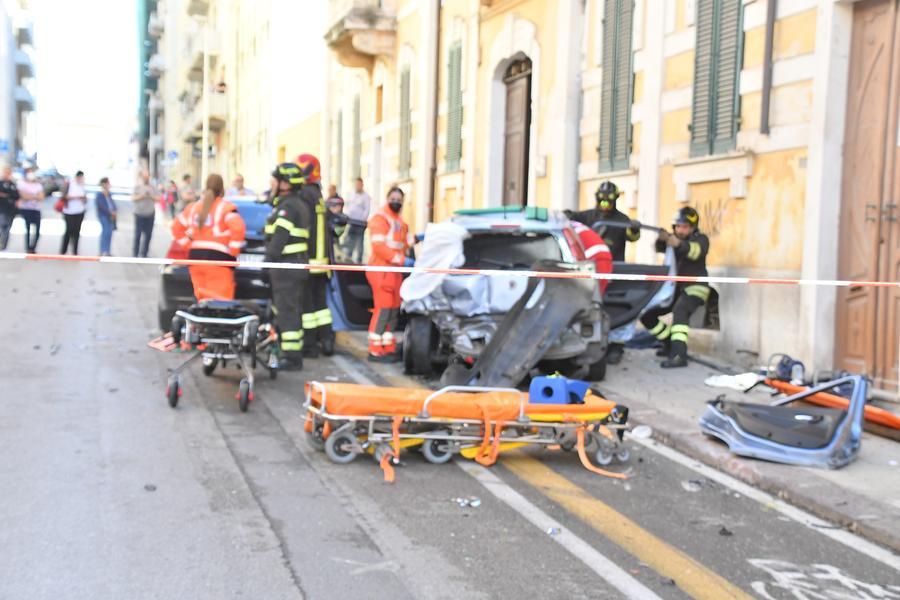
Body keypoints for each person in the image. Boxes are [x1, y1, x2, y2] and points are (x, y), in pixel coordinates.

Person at [565, 180, 641, 364]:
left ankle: (616, 346)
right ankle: (591, 342)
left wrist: (634, 228)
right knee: (590, 309)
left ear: (615, 200)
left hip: (613, 270)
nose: (605, 205)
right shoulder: (588, 216)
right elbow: (571, 220)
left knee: (614, 309)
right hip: (588, 272)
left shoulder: (622, 220)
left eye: (609, 201)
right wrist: (565, 215)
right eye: (602, 201)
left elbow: (633, 237)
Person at [640, 207, 710, 369]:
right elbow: (659, 249)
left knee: (680, 312)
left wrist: (677, 243)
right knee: (647, 316)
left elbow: (694, 252)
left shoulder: (701, 239)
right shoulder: (674, 240)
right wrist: (662, 238)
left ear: (692, 227)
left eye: (684, 227)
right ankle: (669, 344)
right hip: (674, 291)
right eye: (678, 226)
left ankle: (679, 355)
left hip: (695, 288)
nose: (680, 230)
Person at [264, 162, 313, 371]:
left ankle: (292, 357)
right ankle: (287, 350)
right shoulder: (295, 204)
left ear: (285, 184)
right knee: (288, 309)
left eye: (275, 181)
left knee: (287, 312)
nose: (272, 184)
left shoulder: (287, 207)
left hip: (286, 268)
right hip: (293, 267)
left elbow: (278, 241)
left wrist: (266, 264)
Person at [171, 174, 246, 301]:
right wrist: (234, 252)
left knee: (202, 300)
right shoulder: (226, 208)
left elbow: (176, 228)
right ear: (222, 189)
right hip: (218, 261)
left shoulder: (193, 207)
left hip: (195, 259)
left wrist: (187, 245)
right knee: (220, 302)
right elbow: (238, 228)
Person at [295, 154, 336, 358]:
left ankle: (309, 345)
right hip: (322, 263)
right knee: (321, 306)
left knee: (307, 307)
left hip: (308, 260)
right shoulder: (318, 194)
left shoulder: (304, 194)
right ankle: (327, 342)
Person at [366, 186, 412, 363]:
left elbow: (402, 242)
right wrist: (401, 260)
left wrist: (418, 239)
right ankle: (375, 350)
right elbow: (379, 247)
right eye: (393, 198)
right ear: (387, 199)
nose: (396, 202)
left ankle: (387, 347)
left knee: (393, 310)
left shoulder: (398, 221)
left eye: (399, 199)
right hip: (382, 270)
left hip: (393, 272)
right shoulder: (381, 218)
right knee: (383, 309)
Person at [342, 177, 371, 263]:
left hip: (360, 223)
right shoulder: (351, 194)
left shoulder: (366, 197)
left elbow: (367, 209)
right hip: (351, 222)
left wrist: (362, 219)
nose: (357, 186)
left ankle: (359, 261)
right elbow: (348, 205)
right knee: (350, 242)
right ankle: (348, 259)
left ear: (362, 185)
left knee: (359, 243)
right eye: (356, 184)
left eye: (359, 184)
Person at [59, 170, 88, 255]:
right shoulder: (69, 184)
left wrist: (83, 199)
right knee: (68, 230)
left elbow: (85, 199)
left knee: (77, 231)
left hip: (79, 211)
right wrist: (74, 197)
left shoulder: (82, 186)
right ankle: (63, 250)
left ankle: (75, 251)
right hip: (69, 211)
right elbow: (63, 196)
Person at [16, 168, 43, 253]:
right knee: (27, 229)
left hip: (36, 209)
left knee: (37, 230)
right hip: (26, 209)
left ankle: (33, 247)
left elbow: (41, 197)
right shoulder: (22, 183)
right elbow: (23, 197)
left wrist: (29, 196)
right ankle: (28, 248)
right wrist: (35, 196)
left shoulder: (38, 185)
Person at [132, 170, 157, 257]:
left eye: (147, 177)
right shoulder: (137, 187)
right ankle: (135, 253)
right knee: (138, 234)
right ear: (142, 177)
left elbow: (158, 198)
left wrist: (150, 195)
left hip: (150, 214)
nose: (146, 178)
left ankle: (144, 253)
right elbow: (133, 198)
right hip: (139, 213)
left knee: (148, 235)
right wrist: (142, 196)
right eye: (144, 177)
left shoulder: (153, 187)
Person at [95, 177, 117, 256]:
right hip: (104, 216)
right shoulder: (99, 194)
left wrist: (114, 212)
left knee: (109, 233)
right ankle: (102, 250)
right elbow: (101, 206)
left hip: (111, 216)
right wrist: (110, 213)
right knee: (105, 232)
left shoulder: (109, 193)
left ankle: (107, 251)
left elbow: (112, 204)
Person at [0, 165, 19, 250]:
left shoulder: (12, 184)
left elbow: (16, 196)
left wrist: (6, 195)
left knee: (7, 228)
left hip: (11, 210)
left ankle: (4, 247)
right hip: (2, 209)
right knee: (2, 226)